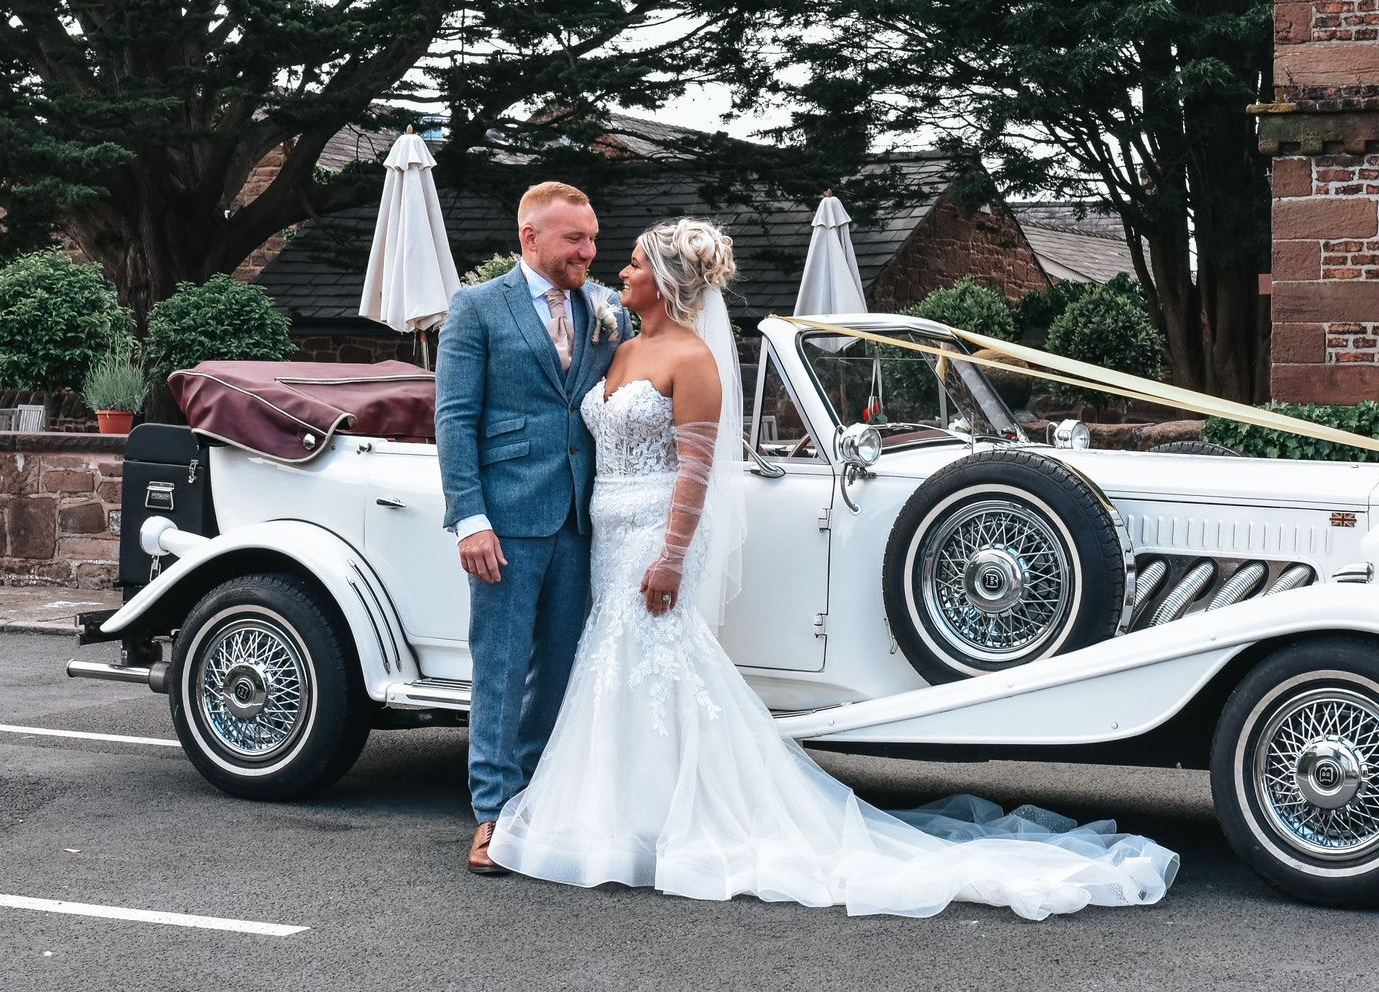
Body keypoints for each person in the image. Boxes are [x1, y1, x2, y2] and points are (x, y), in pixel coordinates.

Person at [487, 217, 1178, 920]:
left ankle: (665, 817)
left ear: (664, 283)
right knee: (615, 663)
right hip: (605, 532)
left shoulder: (692, 360)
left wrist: (671, 558)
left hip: (655, 538)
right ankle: (625, 812)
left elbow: (696, 473)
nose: (620, 273)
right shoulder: (621, 349)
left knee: (651, 659)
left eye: (633, 264)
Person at [434, 181, 631, 874]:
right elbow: (455, 418)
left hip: (582, 515)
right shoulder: (477, 308)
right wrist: (470, 518)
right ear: (531, 239)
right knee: (500, 666)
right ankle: (492, 813)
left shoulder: (605, 311)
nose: (589, 250)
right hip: (507, 518)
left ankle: (538, 806)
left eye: (593, 237)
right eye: (575, 239)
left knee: (560, 671)